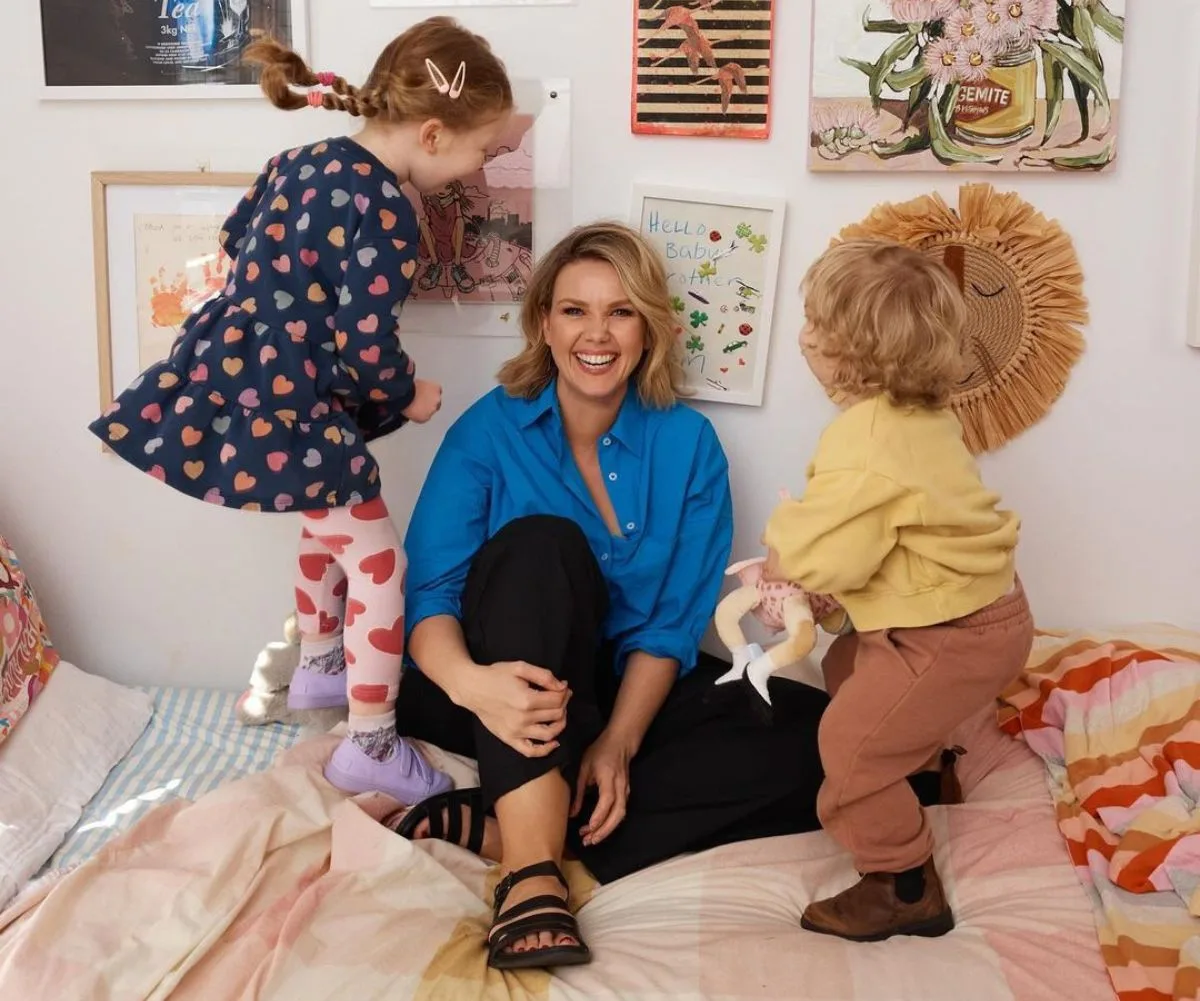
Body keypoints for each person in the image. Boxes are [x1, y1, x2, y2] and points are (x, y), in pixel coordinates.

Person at [88, 17, 515, 806]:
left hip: (242, 375)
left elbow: (235, 236)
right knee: (381, 563)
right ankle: (370, 742)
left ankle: (321, 666)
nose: (478, 167)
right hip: (297, 398)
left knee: (325, 524)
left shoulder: (301, 160)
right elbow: (365, 337)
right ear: (431, 131)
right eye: (481, 151)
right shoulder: (389, 209)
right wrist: (407, 392)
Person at [387, 223, 832, 969]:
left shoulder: (687, 445)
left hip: (619, 693)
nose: (597, 333)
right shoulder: (488, 431)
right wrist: (474, 685)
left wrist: (618, 743)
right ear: (543, 323)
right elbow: (429, 595)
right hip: (494, 690)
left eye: (620, 312)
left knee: (819, 733)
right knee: (543, 544)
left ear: (648, 326)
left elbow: (668, 627)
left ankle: (517, 820)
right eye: (574, 310)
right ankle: (531, 878)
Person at [762, 240, 1034, 943]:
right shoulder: (922, 416)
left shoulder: (867, 441)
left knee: (847, 746)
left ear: (850, 355)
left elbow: (821, 544)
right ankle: (921, 775)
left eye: (816, 325)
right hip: (974, 615)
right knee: (848, 668)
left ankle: (901, 881)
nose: (804, 337)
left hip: (956, 634)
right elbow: (887, 536)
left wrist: (782, 564)